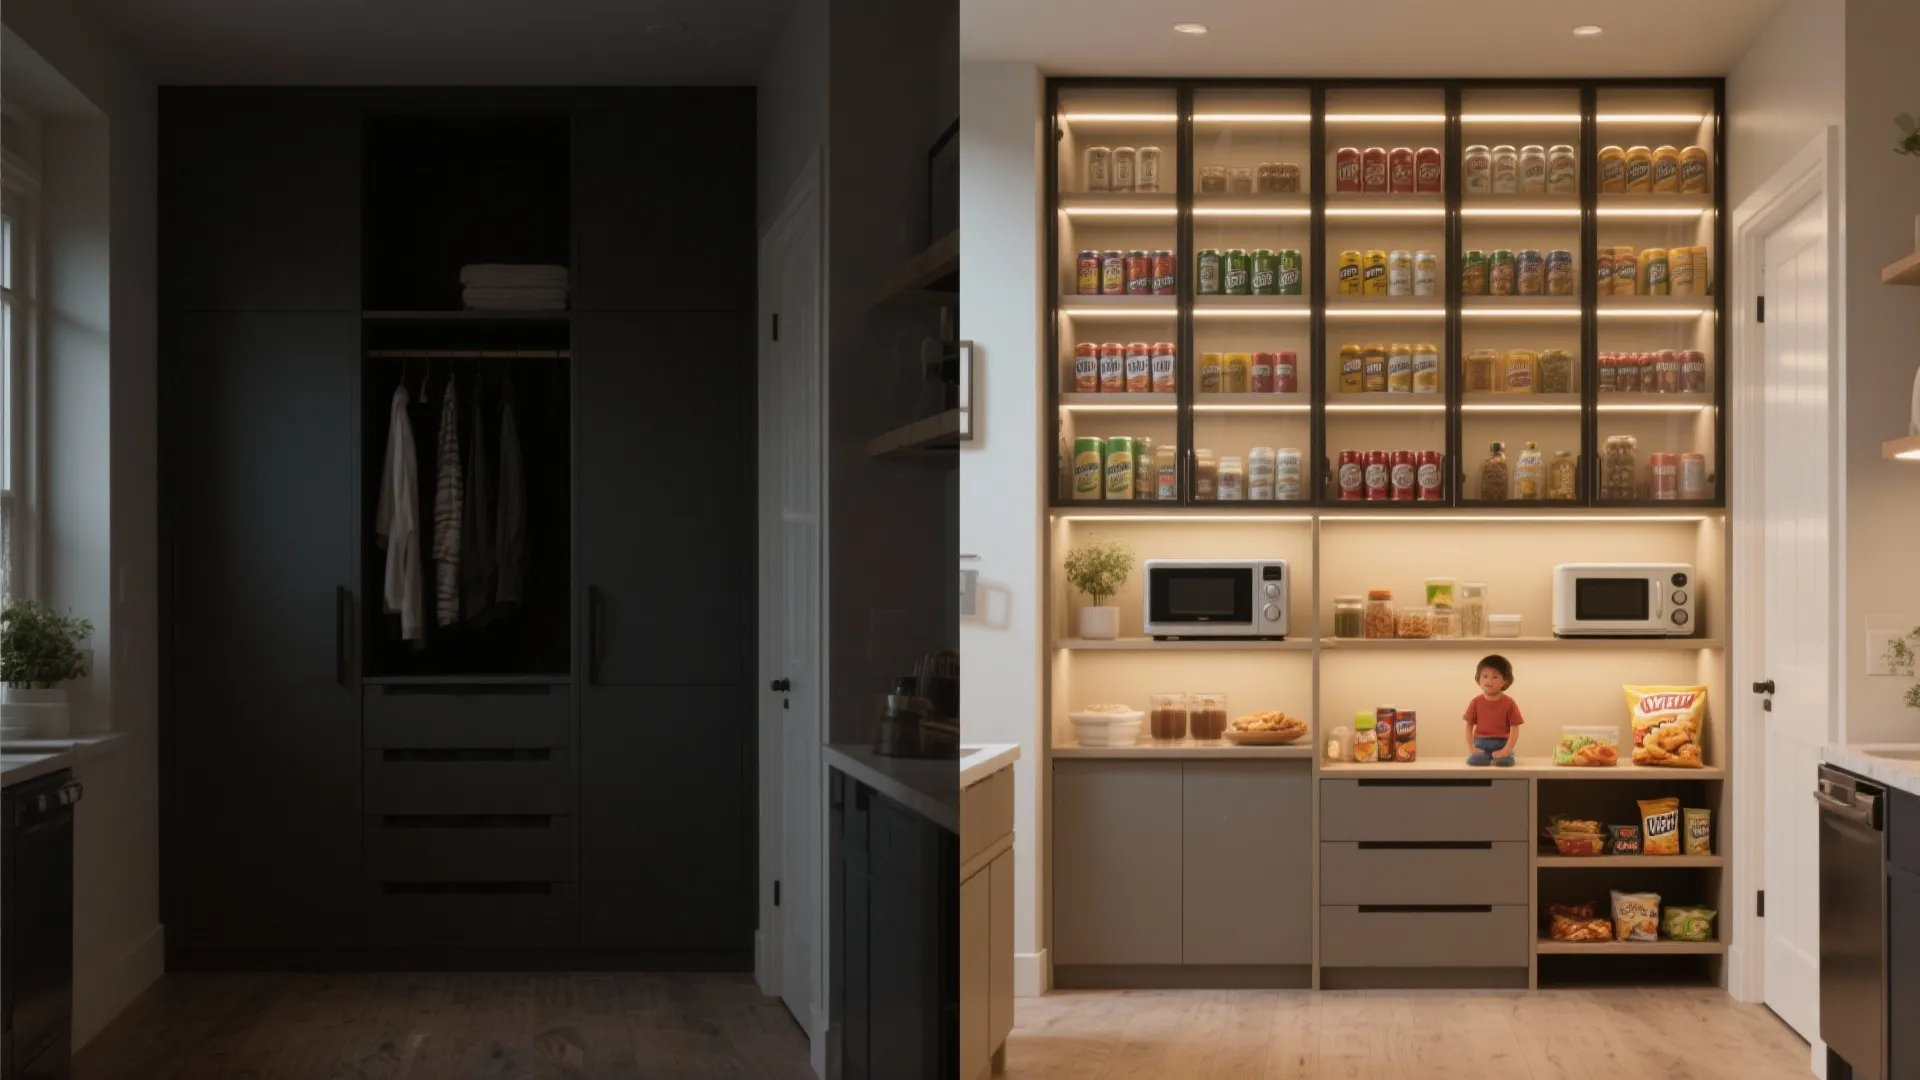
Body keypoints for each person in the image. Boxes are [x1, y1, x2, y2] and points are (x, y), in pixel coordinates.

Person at [1463, 654, 1523, 766]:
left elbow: (1515, 729)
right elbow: (1468, 727)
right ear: (1478, 678)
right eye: (1485, 676)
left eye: (1495, 677)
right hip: (1480, 742)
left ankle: (1508, 755)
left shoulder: (1509, 703)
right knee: (1474, 761)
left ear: (1505, 681)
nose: (1489, 680)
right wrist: (1472, 748)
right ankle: (1486, 757)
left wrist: (1506, 750)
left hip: (1502, 743)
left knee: (1505, 762)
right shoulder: (1476, 702)